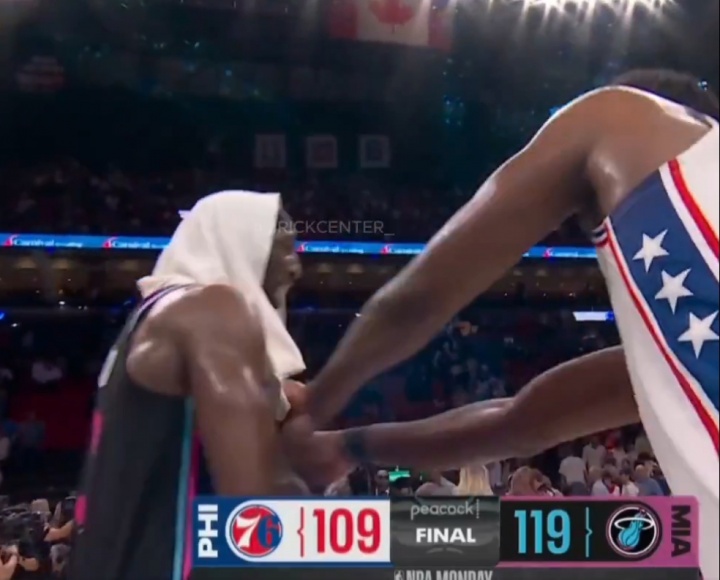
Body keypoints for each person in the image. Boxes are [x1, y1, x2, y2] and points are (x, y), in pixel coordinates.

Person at [300, 70, 719, 579]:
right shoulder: (675, 350)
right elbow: (518, 422)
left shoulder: (623, 118)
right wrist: (349, 445)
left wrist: (316, 404)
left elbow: (423, 295)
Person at [69, 191, 313, 580]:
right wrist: (398, 543)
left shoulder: (155, 316)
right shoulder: (211, 309)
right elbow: (253, 512)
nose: (296, 268)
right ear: (243, 244)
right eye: (285, 250)